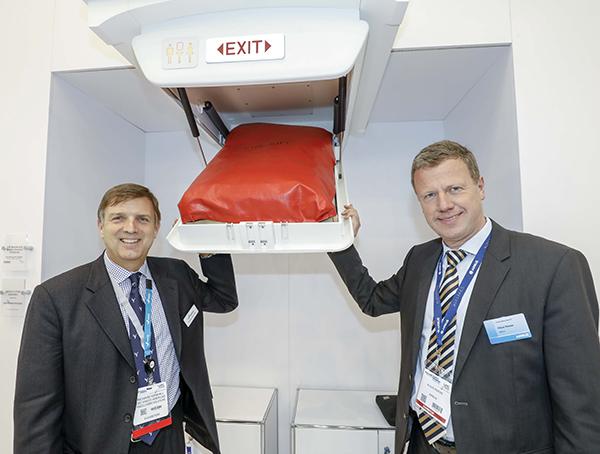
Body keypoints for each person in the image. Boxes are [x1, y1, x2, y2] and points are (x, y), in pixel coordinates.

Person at [329, 140, 600, 453]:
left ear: (480, 187)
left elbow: (581, 401)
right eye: (430, 195)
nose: (444, 204)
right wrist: (340, 240)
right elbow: (372, 300)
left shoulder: (553, 266)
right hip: (425, 445)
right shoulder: (419, 260)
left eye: (455, 189)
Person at [14, 183, 238, 454]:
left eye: (143, 219)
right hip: (100, 444)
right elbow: (36, 406)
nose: (131, 228)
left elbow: (224, 299)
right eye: (118, 218)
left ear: (156, 228)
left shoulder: (176, 275)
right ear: (101, 226)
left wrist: (207, 241)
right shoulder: (56, 298)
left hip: (168, 437)